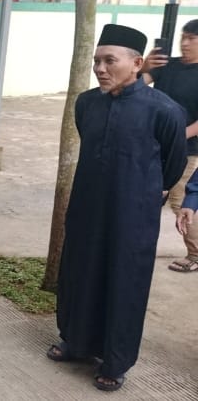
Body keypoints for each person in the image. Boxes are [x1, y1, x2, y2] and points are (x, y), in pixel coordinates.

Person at [48, 24, 187, 391]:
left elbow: (173, 166)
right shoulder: (86, 103)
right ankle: (75, 341)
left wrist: (141, 191)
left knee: (124, 282)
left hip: (132, 215)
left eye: (110, 61)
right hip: (87, 207)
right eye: (97, 61)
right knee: (80, 272)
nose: (100, 68)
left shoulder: (165, 111)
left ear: (137, 63)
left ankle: (115, 360)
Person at [141, 19, 198, 273]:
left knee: (181, 201)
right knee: (147, 198)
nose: (184, 43)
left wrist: (177, 135)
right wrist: (143, 66)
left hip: (186, 149)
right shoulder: (166, 65)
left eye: (192, 39)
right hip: (152, 146)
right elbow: (134, 86)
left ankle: (196, 254)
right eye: (183, 37)